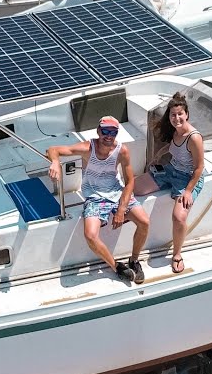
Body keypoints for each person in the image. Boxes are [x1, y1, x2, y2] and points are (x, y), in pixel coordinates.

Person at [47, 116, 149, 284]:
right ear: (98, 131)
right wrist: (55, 163)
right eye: (105, 131)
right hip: (95, 197)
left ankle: (134, 260)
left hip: (117, 192)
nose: (108, 136)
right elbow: (53, 149)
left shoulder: (122, 151)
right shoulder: (88, 148)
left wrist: (121, 209)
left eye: (113, 132)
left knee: (144, 222)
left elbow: (130, 181)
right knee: (90, 235)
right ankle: (116, 266)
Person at [134, 92, 204, 274]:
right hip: (171, 170)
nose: (176, 118)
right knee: (135, 187)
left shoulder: (194, 137)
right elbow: (172, 145)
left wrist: (188, 191)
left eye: (180, 114)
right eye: (173, 115)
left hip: (188, 178)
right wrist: (159, 155)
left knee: (179, 217)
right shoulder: (176, 131)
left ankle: (177, 254)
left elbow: (199, 168)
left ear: (187, 114)